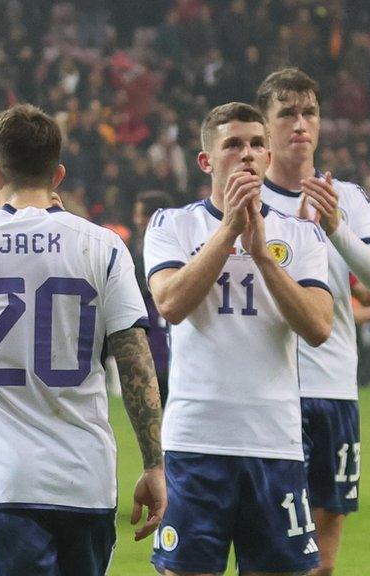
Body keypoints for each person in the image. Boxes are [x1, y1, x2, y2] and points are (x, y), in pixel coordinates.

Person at [0, 104, 166, 575]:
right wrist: (154, 464)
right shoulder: (102, 244)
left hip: (2, 481)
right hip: (85, 478)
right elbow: (135, 360)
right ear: (57, 173)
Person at [145, 103, 333, 575]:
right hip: (196, 441)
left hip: (274, 442)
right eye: (232, 144)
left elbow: (318, 327)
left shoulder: (300, 235)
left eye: (255, 144)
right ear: (206, 161)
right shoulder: (172, 225)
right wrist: (229, 229)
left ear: (268, 157)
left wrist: (264, 258)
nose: (246, 154)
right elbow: (170, 304)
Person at [255, 68, 370, 576]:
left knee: (323, 556)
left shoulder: (346, 198)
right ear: (266, 124)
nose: (300, 124)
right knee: (270, 549)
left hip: (334, 388)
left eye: (310, 112)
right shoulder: (246, 201)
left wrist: (334, 227)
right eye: (288, 113)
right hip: (269, 392)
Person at [131, 190, 174, 406]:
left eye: (139, 215)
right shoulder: (139, 246)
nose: (136, 220)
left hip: (159, 322)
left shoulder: (165, 248)